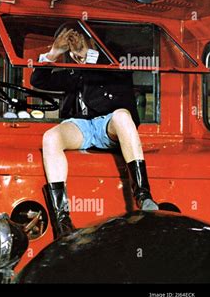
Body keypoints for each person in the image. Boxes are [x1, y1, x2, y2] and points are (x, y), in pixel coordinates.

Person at [31, 27, 159, 239]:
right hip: (82, 126)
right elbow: (38, 81)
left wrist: (86, 53)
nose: (74, 55)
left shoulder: (113, 59)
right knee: (51, 137)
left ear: (94, 42)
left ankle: (143, 194)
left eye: (79, 46)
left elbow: (115, 68)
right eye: (70, 51)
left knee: (122, 117)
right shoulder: (73, 73)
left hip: (109, 125)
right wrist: (54, 52)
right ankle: (62, 221)